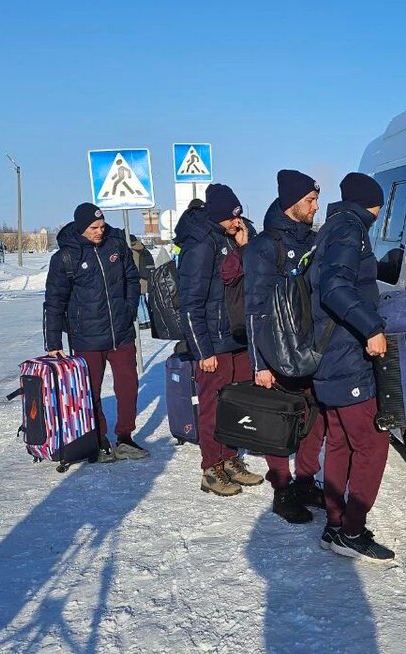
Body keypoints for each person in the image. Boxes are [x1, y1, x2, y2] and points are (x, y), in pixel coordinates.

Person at [311, 173, 395, 562]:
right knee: (372, 442)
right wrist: (372, 327)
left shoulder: (332, 226)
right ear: (369, 204)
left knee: (341, 440)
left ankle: (335, 524)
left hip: (329, 355)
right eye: (378, 206)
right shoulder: (350, 229)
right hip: (346, 356)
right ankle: (352, 530)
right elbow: (335, 287)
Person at [243, 169, 327, 524]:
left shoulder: (314, 239)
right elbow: (253, 307)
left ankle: (306, 481)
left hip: (313, 345)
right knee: (278, 423)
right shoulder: (264, 246)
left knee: (316, 418)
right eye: (310, 200)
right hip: (276, 349)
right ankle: (282, 489)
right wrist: (258, 363)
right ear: (293, 202)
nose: (316, 206)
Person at [176, 184, 265, 496]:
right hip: (212, 342)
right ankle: (210, 469)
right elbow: (190, 302)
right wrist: (202, 350)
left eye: (239, 217)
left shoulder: (230, 238)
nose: (236, 222)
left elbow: (241, 282)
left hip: (236, 336)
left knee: (234, 403)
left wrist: (243, 247)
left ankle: (229, 460)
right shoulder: (200, 244)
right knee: (212, 407)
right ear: (216, 216)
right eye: (231, 218)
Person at [43, 202, 148, 462]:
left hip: (121, 332)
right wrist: (53, 341)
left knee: (128, 386)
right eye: (93, 228)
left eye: (101, 226)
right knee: (91, 390)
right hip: (87, 336)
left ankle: (125, 438)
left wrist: (129, 309)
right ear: (81, 228)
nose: (99, 231)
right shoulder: (66, 257)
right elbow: (54, 301)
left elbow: (132, 280)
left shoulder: (116, 245)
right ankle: (99, 439)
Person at [129, 235, 155, 325]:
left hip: (138, 280)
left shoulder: (132, 252)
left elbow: (134, 267)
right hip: (145, 279)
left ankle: (144, 320)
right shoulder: (142, 249)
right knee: (143, 301)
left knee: (139, 302)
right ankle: (148, 319)